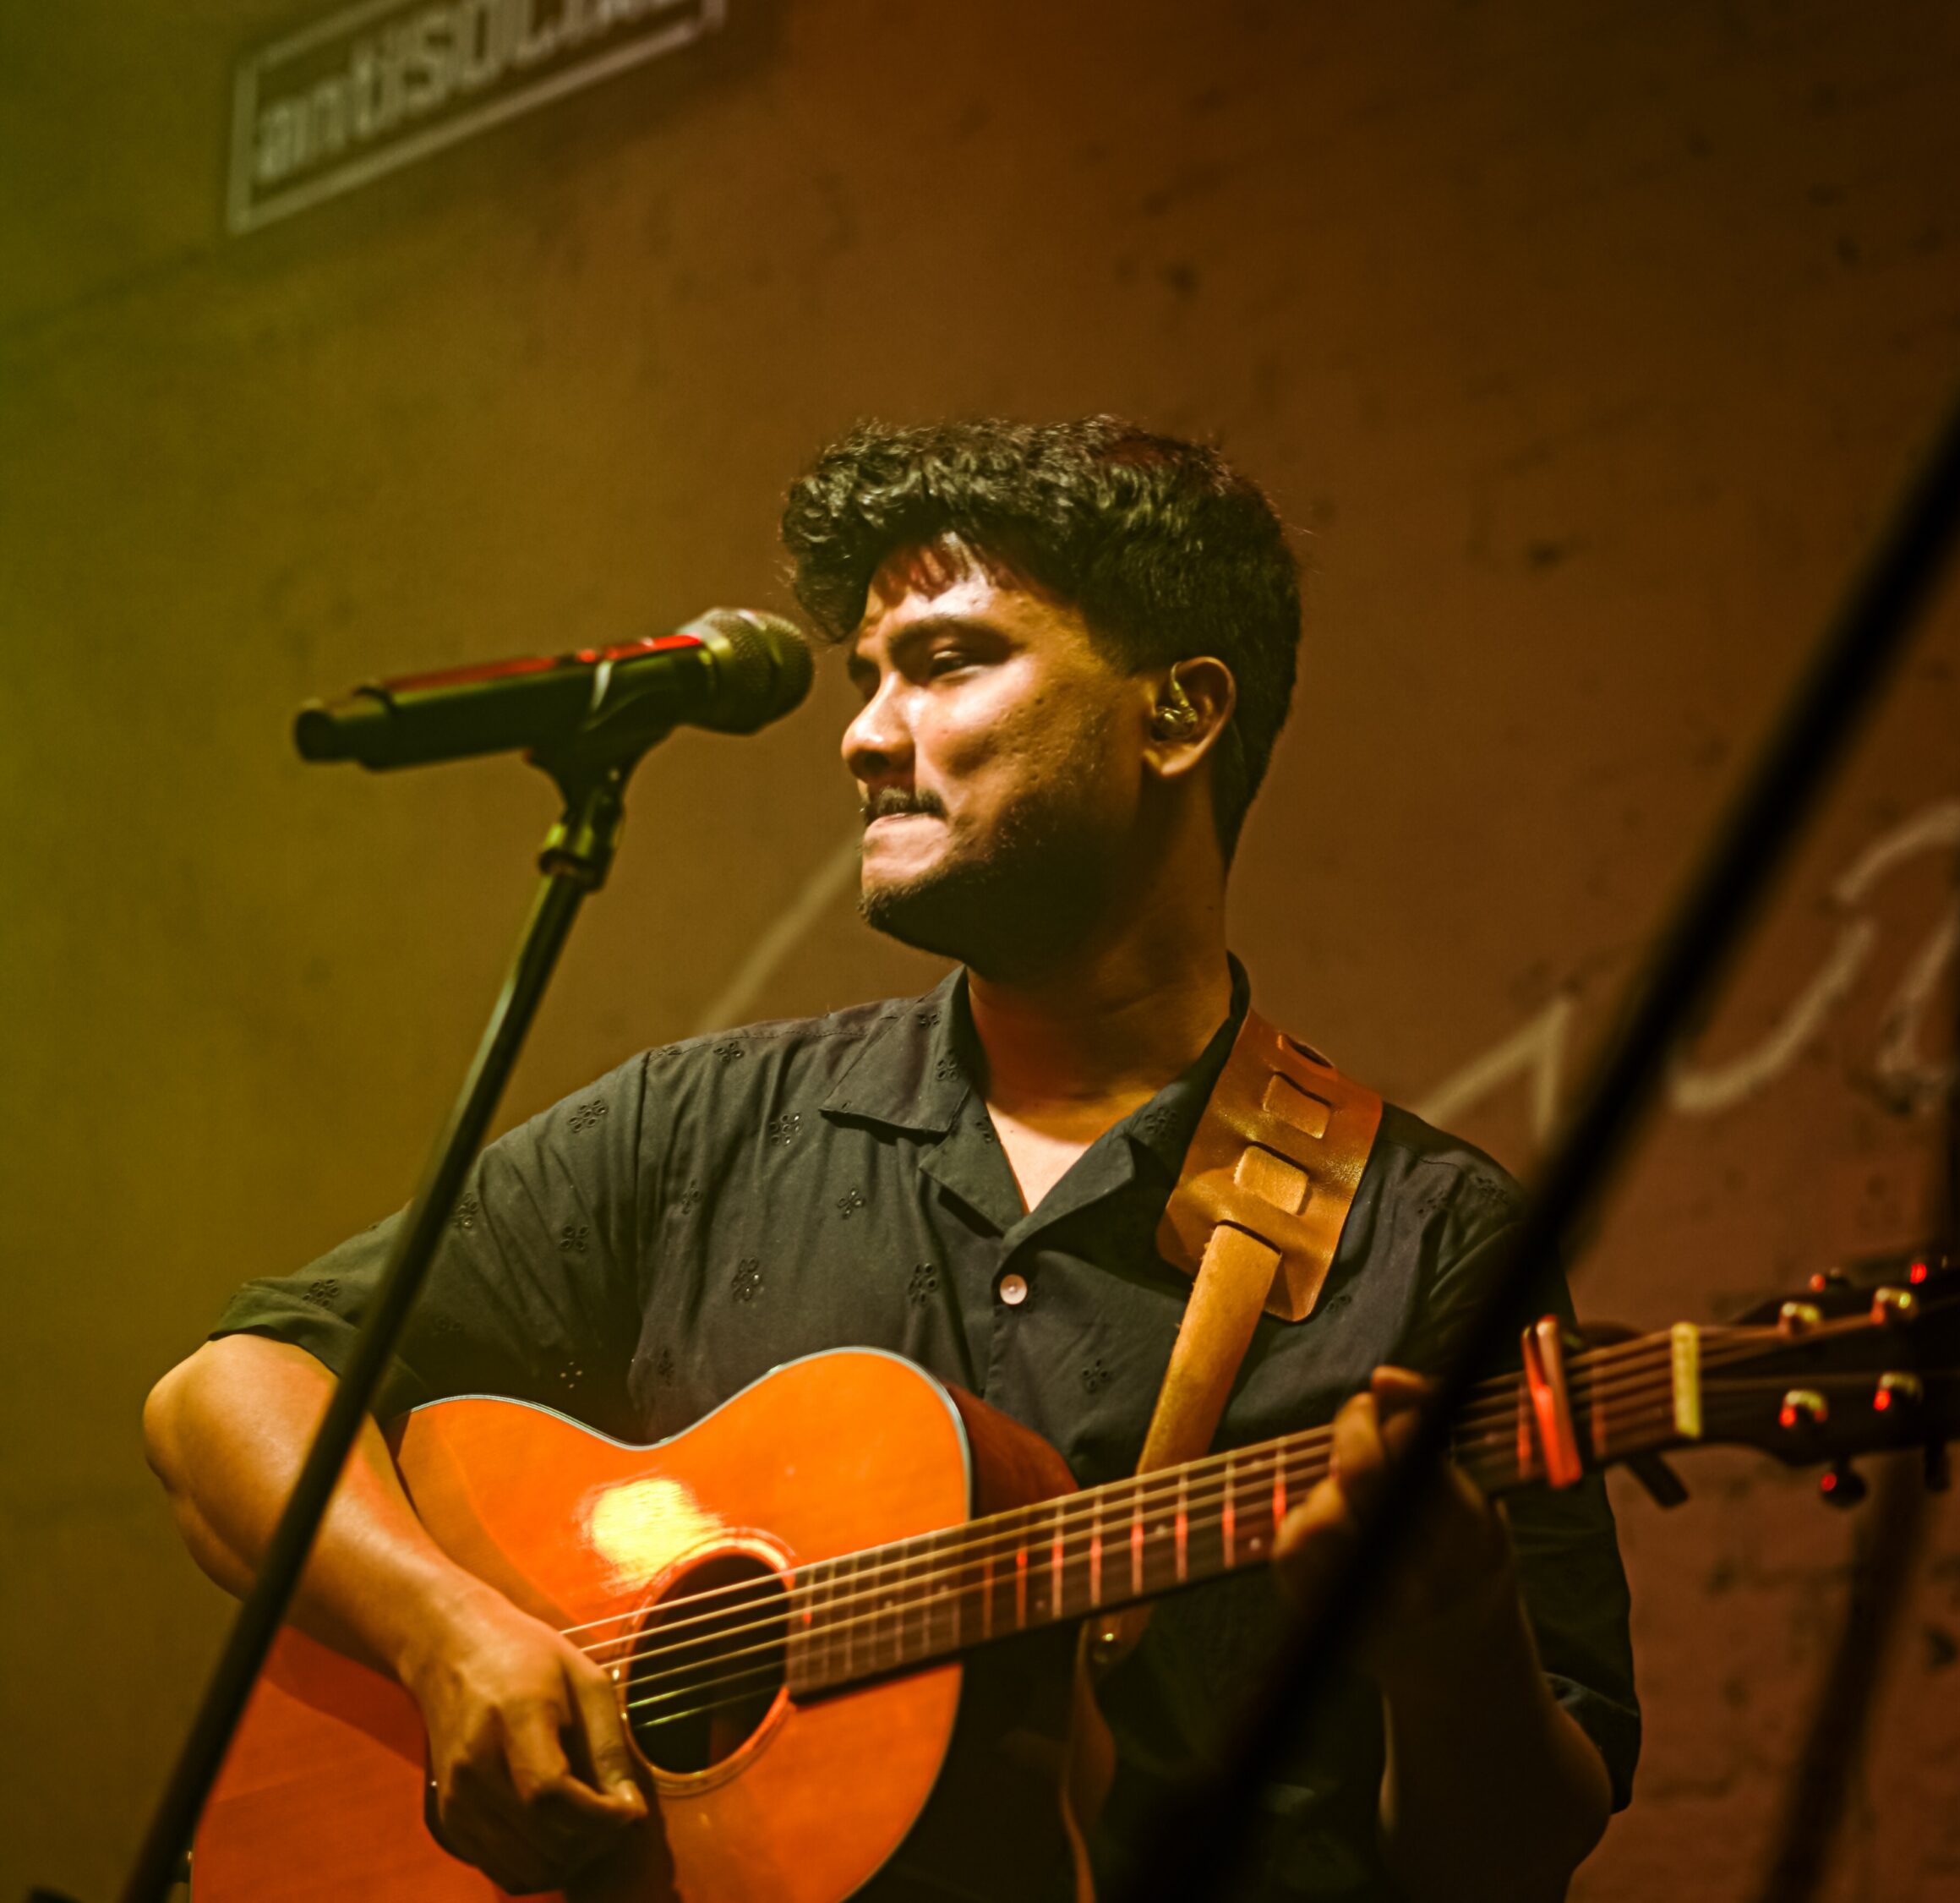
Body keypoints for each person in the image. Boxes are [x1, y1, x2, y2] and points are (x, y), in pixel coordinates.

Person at [145, 417, 1636, 1900]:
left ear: (1179, 716)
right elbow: (225, 1397)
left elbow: (1504, 1861)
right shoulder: (702, 1131)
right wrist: (445, 1634)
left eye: (946, 662)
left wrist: (1456, 1643)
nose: (864, 734)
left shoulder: (1424, 1236)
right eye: (866, 678)